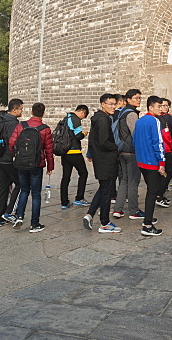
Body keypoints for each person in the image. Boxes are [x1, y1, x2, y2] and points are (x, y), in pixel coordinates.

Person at [8, 102, 55, 233]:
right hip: (36, 164)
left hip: (21, 163)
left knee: (24, 190)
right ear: (43, 114)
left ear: (31, 112)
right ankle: (34, 224)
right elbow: (49, 150)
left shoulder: (21, 126)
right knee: (35, 194)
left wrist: (16, 156)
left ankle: (19, 216)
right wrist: (50, 166)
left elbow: (11, 143)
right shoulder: (45, 129)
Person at [83, 94, 121, 233]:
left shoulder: (97, 119)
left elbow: (93, 140)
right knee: (107, 192)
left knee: (104, 188)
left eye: (114, 104)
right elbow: (104, 141)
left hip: (100, 159)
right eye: (110, 104)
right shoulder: (103, 120)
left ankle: (90, 214)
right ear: (102, 104)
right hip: (106, 160)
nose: (113, 107)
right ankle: (104, 223)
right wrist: (116, 148)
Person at [133, 96, 166, 236]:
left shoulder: (139, 121)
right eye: (158, 106)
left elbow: (134, 140)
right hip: (152, 161)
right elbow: (158, 142)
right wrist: (162, 163)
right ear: (151, 107)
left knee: (150, 191)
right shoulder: (154, 121)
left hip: (141, 161)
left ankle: (148, 217)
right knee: (153, 192)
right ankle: (147, 224)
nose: (160, 108)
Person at [0, 100, 23, 227]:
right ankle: (9, 212)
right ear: (14, 110)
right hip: (8, 159)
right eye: (21, 109)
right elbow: (13, 142)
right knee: (21, 184)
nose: (21, 111)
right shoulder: (13, 123)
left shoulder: (0, 119)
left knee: (1, 187)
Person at [113, 89, 142, 221]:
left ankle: (118, 210)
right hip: (131, 151)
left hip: (122, 150)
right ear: (128, 100)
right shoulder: (131, 114)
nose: (139, 100)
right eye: (136, 98)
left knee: (124, 181)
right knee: (133, 182)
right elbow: (136, 134)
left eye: (140, 98)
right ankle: (133, 210)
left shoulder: (121, 112)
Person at [58, 105, 90, 209]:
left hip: (64, 151)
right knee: (84, 173)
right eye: (83, 116)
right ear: (82, 112)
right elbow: (77, 136)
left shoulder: (66, 118)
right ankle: (79, 198)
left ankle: (64, 202)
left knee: (66, 176)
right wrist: (84, 133)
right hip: (74, 151)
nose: (82, 118)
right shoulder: (75, 120)